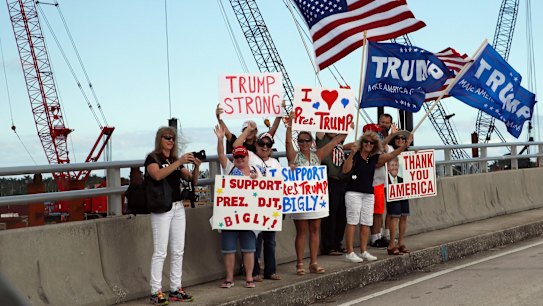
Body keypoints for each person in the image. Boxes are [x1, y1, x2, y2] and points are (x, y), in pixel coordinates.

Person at [285, 113, 347, 275]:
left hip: (315, 199)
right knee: (302, 231)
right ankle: (300, 263)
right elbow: (287, 143)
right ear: (297, 143)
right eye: (301, 141)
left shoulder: (317, 155)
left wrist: (346, 122)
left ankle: (313, 262)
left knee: (315, 229)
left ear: (312, 142)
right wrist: (289, 125)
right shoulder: (294, 156)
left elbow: (335, 141)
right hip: (300, 200)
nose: (304, 143)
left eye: (307, 140)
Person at [146, 126, 201, 305]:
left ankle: (175, 288)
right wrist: (178, 163)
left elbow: (191, 180)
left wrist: (196, 167)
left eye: (173, 138)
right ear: (159, 139)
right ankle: (155, 291)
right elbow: (157, 175)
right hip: (161, 208)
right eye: (167, 137)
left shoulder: (175, 159)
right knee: (160, 251)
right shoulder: (152, 158)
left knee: (178, 250)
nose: (170, 140)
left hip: (178, 207)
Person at [342, 130, 413, 263]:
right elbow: (345, 170)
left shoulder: (374, 158)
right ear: (361, 143)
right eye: (366, 142)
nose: (368, 144)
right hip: (353, 192)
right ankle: (350, 252)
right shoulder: (355, 155)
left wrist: (405, 146)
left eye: (371, 142)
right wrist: (351, 153)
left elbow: (391, 154)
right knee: (352, 221)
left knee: (366, 222)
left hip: (369, 193)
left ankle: (363, 251)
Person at [214, 125, 259, 289]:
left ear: (247, 158)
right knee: (229, 249)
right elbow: (220, 155)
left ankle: (249, 278)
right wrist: (220, 139)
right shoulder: (230, 169)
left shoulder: (255, 171)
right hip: (230, 216)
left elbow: (267, 189)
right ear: (234, 159)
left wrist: (257, 180)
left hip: (248, 216)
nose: (240, 161)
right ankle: (229, 278)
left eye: (242, 158)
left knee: (249, 249)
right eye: (237, 158)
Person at [316, 127, 354, 256]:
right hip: (329, 180)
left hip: (341, 180)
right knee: (330, 214)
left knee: (341, 214)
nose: (332, 130)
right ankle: (328, 246)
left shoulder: (340, 142)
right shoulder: (322, 139)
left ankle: (337, 243)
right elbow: (319, 126)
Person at [249, 132, 282, 282]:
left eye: (268, 144)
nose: (265, 147)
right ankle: (254, 272)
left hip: (271, 207)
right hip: (255, 206)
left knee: (270, 241)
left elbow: (283, 183)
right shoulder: (250, 157)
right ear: (256, 144)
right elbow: (236, 147)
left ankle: (270, 271)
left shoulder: (276, 163)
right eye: (262, 143)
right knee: (255, 241)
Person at [370, 114, 395, 248]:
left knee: (390, 210)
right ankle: (375, 237)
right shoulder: (373, 138)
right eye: (382, 122)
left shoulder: (394, 139)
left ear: (391, 124)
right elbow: (379, 148)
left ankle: (386, 235)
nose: (384, 124)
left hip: (390, 180)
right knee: (378, 211)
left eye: (387, 122)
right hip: (376, 180)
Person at [215, 104, 281, 153]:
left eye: (251, 130)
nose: (248, 132)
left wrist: (280, 113)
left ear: (256, 131)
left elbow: (273, 129)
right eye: (246, 129)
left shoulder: (260, 143)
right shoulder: (237, 141)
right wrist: (219, 118)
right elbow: (226, 133)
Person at [386, 132, 412, 255]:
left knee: (404, 215)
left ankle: (401, 242)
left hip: (404, 186)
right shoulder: (389, 149)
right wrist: (391, 135)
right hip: (392, 186)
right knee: (394, 215)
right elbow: (382, 146)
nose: (401, 140)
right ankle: (392, 244)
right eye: (398, 138)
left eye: (403, 138)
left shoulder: (408, 152)